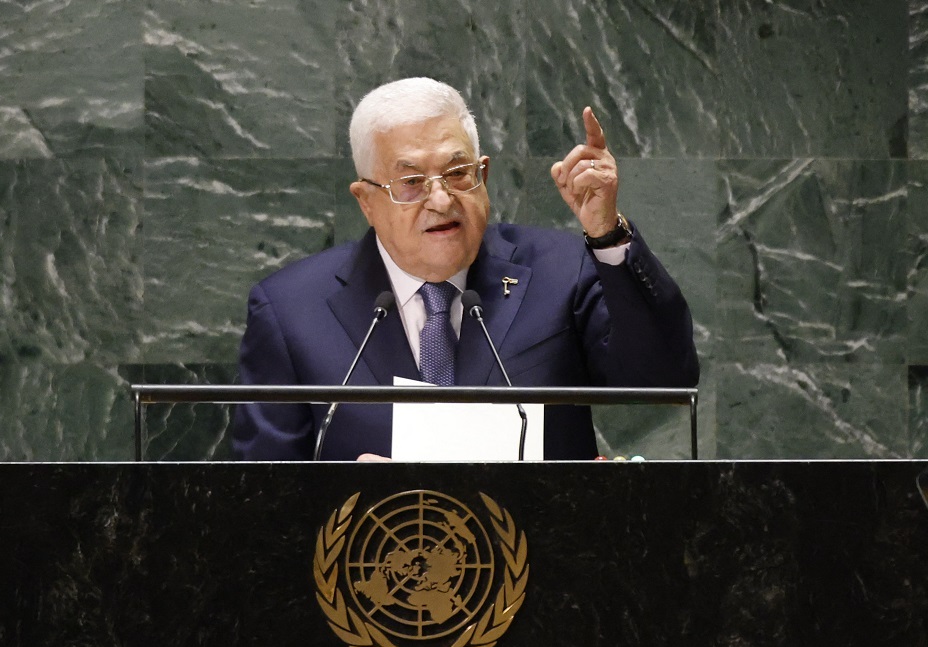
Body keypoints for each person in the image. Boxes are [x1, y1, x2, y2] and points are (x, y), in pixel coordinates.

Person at [232, 77, 698, 461]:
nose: (441, 200)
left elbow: (664, 379)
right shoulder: (291, 311)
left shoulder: (560, 270)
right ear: (367, 201)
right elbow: (260, 503)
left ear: (484, 176)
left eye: (459, 174)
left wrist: (607, 236)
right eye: (411, 182)